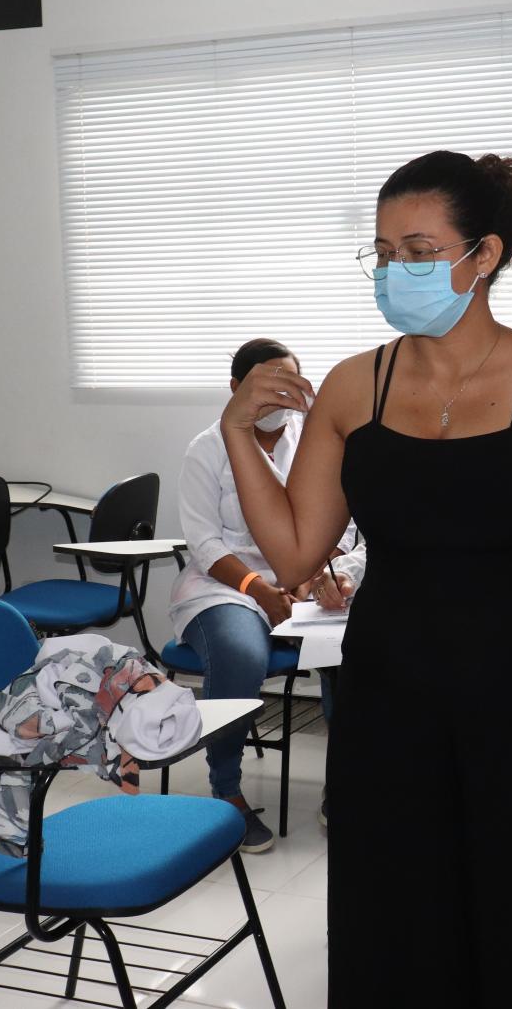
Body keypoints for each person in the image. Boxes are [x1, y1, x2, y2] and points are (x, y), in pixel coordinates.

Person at [220, 151, 512, 1006]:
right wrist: (237, 432)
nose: (393, 271)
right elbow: (295, 557)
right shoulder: (352, 387)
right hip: (389, 691)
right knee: (396, 913)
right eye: (381, 253)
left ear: (484, 256)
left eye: (417, 251)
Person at [168, 338, 365, 853]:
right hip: (225, 587)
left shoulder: (314, 440)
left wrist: (312, 578)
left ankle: (343, 784)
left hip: (305, 581)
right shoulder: (207, 448)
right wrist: (260, 588)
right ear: (237, 388)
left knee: (351, 653)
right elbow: (204, 543)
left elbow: (341, 523)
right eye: (269, 385)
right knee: (240, 653)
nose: (282, 398)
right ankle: (226, 790)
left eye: (291, 384)